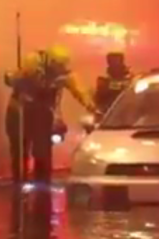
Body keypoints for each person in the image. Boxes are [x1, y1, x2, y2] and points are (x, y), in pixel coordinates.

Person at [4, 45, 97, 184]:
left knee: (43, 152)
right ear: (50, 61)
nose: (59, 68)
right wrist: (18, 77)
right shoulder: (32, 63)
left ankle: (42, 184)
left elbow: (80, 91)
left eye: (62, 65)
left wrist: (91, 106)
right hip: (19, 112)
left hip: (42, 114)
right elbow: (14, 79)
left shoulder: (65, 74)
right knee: (19, 151)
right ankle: (19, 182)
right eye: (57, 65)